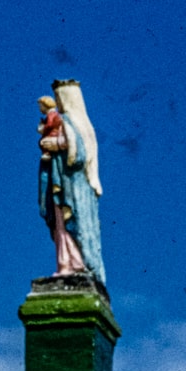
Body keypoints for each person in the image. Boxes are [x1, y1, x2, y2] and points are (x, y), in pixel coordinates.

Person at [38, 78, 106, 285]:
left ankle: (78, 264)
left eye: (60, 97)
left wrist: (56, 144)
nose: (58, 102)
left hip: (75, 187)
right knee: (61, 224)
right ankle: (65, 264)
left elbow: (79, 154)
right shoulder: (66, 120)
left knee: (73, 224)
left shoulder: (74, 122)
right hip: (62, 181)